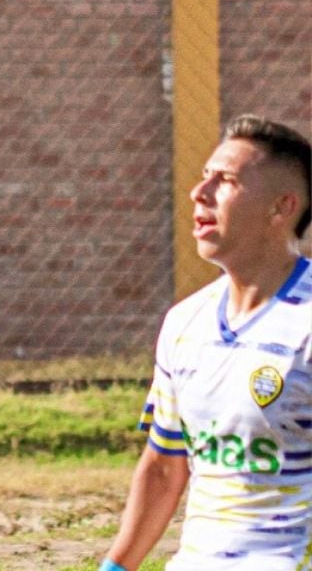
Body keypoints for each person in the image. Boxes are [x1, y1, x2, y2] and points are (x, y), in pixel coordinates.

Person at [102, 114, 312, 571]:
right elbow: (163, 464)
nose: (200, 193)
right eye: (204, 178)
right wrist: (116, 567)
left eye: (226, 181)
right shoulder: (185, 323)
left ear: (281, 208)